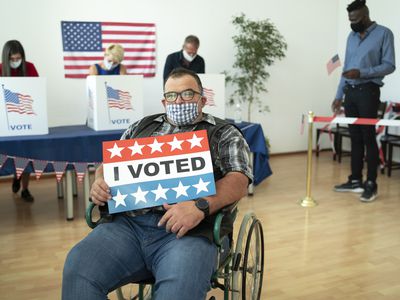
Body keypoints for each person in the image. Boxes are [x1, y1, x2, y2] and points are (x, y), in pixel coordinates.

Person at [62, 68, 252, 300]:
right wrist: (100, 180)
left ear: (203, 100)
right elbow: (108, 166)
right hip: (128, 226)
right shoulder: (140, 127)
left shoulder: (224, 134)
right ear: (164, 101)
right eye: (172, 96)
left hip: (190, 231)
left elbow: (239, 180)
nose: (179, 100)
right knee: (79, 268)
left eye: (188, 94)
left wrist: (200, 206)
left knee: (178, 292)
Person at [332, 0, 395, 202]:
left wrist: (362, 72)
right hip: (350, 93)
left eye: (355, 19)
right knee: (355, 137)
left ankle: (371, 184)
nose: (352, 23)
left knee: (368, 138)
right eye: (350, 19)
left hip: (368, 92)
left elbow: (389, 65)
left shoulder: (384, 34)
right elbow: (346, 68)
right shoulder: (351, 37)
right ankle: (355, 180)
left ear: (365, 16)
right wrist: (338, 95)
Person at [1, 40, 39, 202]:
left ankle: (25, 188)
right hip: (6, 120)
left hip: (27, 118)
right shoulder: (1, 68)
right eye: (13, 59)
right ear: (7, 57)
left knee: (27, 153)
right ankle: (16, 176)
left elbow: (36, 90)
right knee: (10, 154)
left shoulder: (29, 67)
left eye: (19, 58)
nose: (16, 62)